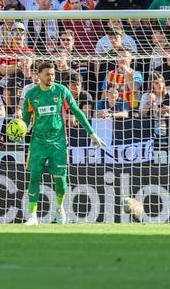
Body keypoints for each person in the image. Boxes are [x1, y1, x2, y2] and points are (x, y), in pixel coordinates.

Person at [21, 61, 105, 225]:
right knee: (34, 177)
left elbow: (77, 111)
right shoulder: (31, 95)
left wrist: (92, 133)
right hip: (38, 142)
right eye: (47, 74)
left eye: (53, 74)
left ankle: (59, 208)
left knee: (60, 180)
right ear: (38, 75)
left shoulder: (61, 91)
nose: (51, 77)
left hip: (58, 142)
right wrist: (18, 132)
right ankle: (32, 216)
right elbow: (24, 121)